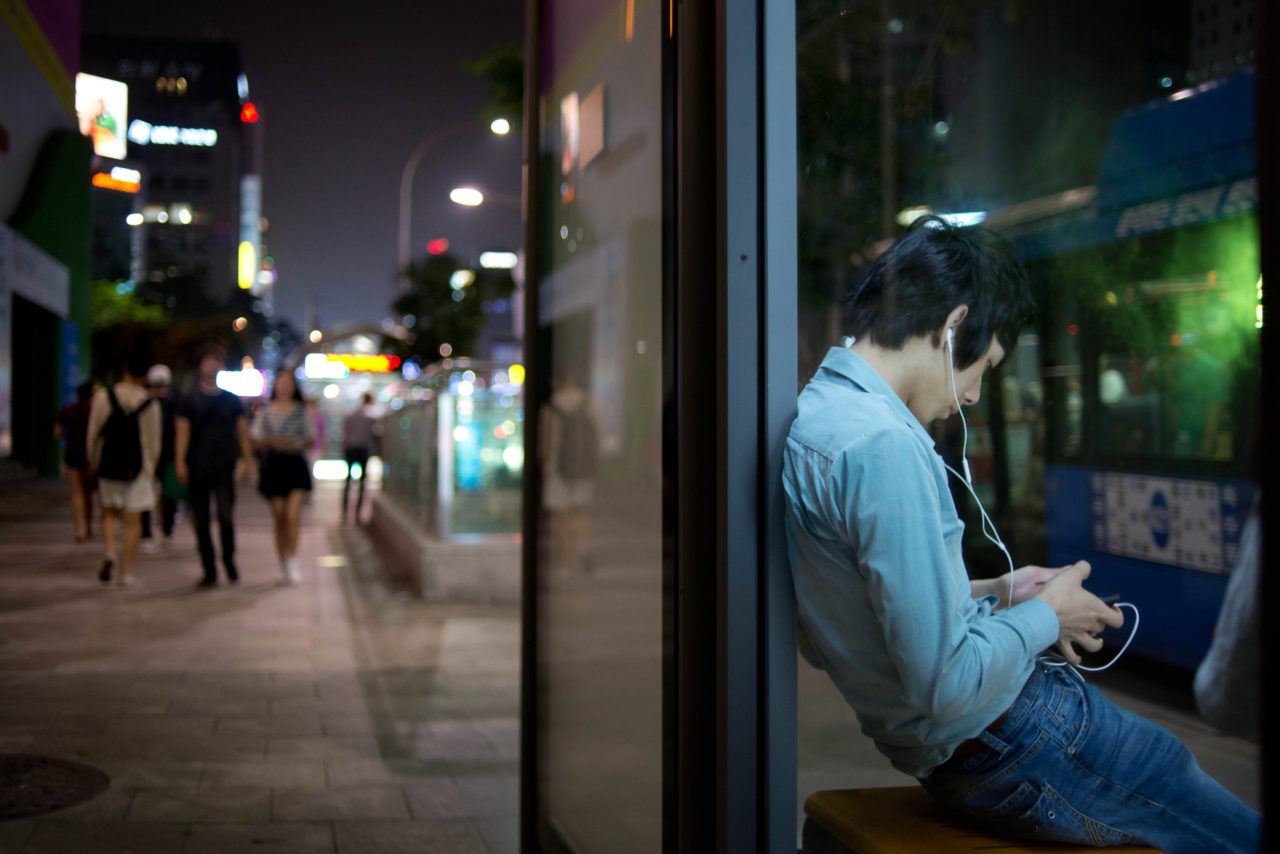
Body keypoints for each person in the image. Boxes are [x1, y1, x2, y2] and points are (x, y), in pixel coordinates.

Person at [783, 217, 1259, 853]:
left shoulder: (819, 413)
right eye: (985, 365)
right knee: (1209, 812)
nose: (976, 393)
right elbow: (947, 687)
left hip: (971, 754)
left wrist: (1001, 589)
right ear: (953, 329)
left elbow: (844, 620)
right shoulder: (883, 447)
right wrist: (1047, 614)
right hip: (1011, 737)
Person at [176, 346, 254, 587]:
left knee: (225, 516)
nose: (211, 365)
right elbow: (182, 432)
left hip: (224, 465)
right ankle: (208, 567)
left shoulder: (231, 399)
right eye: (207, 360)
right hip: (197, 465)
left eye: (215, 361)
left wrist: (247, 458)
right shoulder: (189, 399)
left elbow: (242, 431)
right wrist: (180, 461)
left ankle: (229, 560)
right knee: (200, 520)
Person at [86, 349, 160, 587]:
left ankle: (110, 552)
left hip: (109, 465)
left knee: (109, 513)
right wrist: (149, 470)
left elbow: (94, 433)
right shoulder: (150, 403)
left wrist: (93, 460)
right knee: (133, 522)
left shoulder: (103, 396)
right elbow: (153, 442)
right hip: (137, 469)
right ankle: (125, 573)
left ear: (125, 369)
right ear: (146, 374)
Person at [251, 370, 314, 584]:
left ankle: (293, 559)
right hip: (274, 466)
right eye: (281, 382)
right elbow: (256, 440)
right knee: (279, 518)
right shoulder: (266, 411)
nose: (284, 386)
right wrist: (272, 441)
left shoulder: (301, 411)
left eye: (288, 383)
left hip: (295, 464)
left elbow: (311, 439)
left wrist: (294, 442)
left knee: (292, 515)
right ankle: (283, 561)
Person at [539, 367, 600, 574]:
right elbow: (598, 434)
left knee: (560, 516)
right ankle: (583, 549)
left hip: (557, 470)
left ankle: (565, 562)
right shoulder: (588, 403)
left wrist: (546, 465)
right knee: (581, 512)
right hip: (584, 468)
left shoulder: (551, 407)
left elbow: (544, 442)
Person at [140, 364, 181, 549]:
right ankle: (146, 533)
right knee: (145, 496)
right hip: (148, 456)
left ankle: (167, 530)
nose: (159, 390)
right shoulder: (144, 403)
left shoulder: (173, 404)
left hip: (167, 456)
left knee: (168, 495)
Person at [54, 381, 97, 542]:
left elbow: (57, 432)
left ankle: (79, 530)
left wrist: (68, 436)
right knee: (89, 493)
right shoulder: (93, 410)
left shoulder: (68, 410)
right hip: (89, 455)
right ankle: (89, 526)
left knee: (76, 493)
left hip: (72, 453)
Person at [340, 392, 378, 523]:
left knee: (348, 482)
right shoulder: (370, 417)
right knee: (362, 483)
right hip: (362, 450)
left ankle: (345, 513)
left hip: (351, 449)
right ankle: (356, 513)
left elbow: (345, 433)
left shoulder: (351, 415)